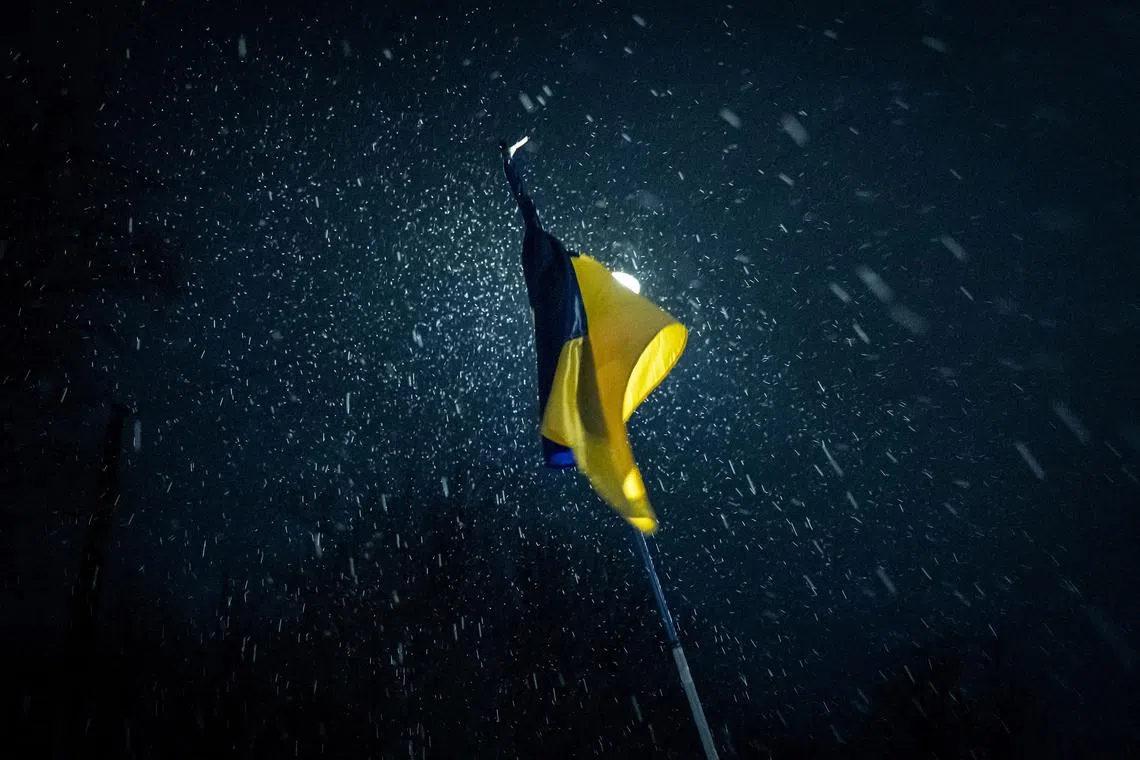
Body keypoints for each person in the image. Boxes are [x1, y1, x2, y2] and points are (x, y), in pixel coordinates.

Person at [498, 137, 688, 534]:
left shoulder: (555, 285)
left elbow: (531, 219)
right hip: (569, 332)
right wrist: (510, 166)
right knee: (581, 391)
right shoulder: (553, 288)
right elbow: (529, 214)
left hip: (570, 327)